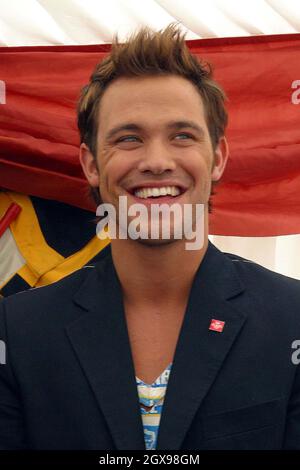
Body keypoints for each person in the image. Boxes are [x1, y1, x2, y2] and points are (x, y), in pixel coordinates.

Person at [0, 23, 300, 451]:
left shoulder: (292, 320)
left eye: (182, 136)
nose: (157, 161)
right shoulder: (18, 331)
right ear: (90, 164)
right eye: (129, 138)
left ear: (217, 158)